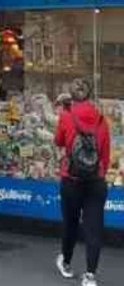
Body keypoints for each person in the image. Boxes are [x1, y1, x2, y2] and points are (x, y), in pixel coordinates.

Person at [55, 78, 110, 286]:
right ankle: (90, 276)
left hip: (72, 179)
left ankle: (66, 263)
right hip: (96, 181)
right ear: (89, 95)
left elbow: (58, 141)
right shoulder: (101, 119)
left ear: (71, 96)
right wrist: (99, 172)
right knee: (94, 227)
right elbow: (105, 154)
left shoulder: (66, 116)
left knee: (70, 222)